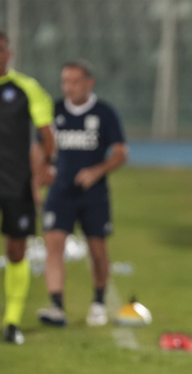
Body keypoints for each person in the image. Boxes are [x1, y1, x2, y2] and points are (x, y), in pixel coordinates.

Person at [36, 60, 127, 327]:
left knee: (97, 250)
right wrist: (40, 174)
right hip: (59, 192)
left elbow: (120, 154)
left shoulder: (104, 113)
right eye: (65, 81)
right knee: (53, 246)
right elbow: (39, 148)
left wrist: (95, 172)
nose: (69, 87)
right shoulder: (53, 110)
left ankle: (98, 302)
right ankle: (56, 306)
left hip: (93, 195)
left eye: (75, 81)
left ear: (89, 82)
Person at [0, 30, 55, 345]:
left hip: (16, 184)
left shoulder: (27, 88)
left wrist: (47, 165)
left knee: (16, 250)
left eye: (1, 49)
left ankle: (11, 320)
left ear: (10, 53)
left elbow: (46, 133)